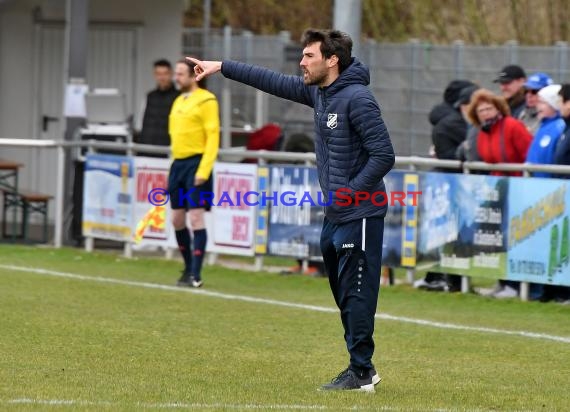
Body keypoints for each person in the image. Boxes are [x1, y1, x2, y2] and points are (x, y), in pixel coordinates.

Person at [188, 28, 395, 392]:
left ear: (332, 60)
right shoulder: (319, 93)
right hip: (337, 215)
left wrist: (349, 193)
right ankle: (363, 368)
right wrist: (222, 66)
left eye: (308, 56)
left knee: (358, 295)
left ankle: (361, 372)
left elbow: (384, 155)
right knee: (344, 295)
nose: (301, 62)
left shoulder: (358, 99)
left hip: (361, 212)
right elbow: (270, 81)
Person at [467, 89, 532, 299]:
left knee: (516, 236)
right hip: (498, 189)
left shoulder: (512, 126)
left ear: (498, 108)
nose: (485, 113)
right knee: (499, 238)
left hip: (519, 187)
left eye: (489, 108)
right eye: (481, 110)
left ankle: (515, 285)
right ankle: (504, 282)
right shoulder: (482, 132)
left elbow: (528, 154)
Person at [169, 59, 220, 288]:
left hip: (197, 163)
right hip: (178, 165)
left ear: (193, 76)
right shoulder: (179, 100)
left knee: (196, 217)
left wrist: (204, 169)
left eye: (180, 74)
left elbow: (213, 137)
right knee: (177, 219)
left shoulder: (207, 100)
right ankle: (188, 267)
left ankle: (196, 274)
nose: (176, 78)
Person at [136, 59, 180, 157]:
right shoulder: (149, 96)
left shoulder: (179, 97)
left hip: (168, 151)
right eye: (158, 74)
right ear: (154, 75)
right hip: (146, 150)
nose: (162, 77)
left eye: (165, 73)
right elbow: (140, 124)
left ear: (171, 74)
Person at [526, 84, 565, 178]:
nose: (537, 106)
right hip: (535, 183)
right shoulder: (543, 126)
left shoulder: (559, 127)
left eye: (542, 102)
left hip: (548, 184)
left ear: (554, 104)